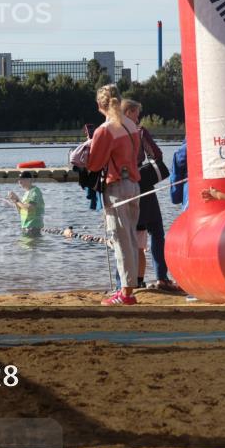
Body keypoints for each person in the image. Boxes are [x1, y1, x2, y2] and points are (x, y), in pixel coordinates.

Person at [87, 84, 142, 306]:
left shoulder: (105, 129)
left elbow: (94, 164)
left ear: (100, 104)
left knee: (121, 240)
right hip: (134, 186)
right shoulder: (131, 125)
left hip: (117, 187)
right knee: (130, 237)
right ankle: (129, 288)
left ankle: (126, 293)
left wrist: (87, 146)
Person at [122, 99, 176, 291]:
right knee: (156, 232)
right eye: (136, 113)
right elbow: (157, 155)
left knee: (132, 235)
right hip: (144, 187)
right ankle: (161, 277)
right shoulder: (140, 132)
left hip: (124, 187)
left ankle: (133, 280)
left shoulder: (114, 132)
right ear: (128, 112)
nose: (138, 118)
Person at [8, 171, 45, 237]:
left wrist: (17, 200)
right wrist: (15, 200)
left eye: (22, 179)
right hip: (26, 227)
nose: (20, 182)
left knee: (31, 246)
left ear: (30, 180)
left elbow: (29, 208)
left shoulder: (35, 191)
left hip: (33, 227)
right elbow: (21, 211)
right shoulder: (26, 193)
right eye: (19, 180)